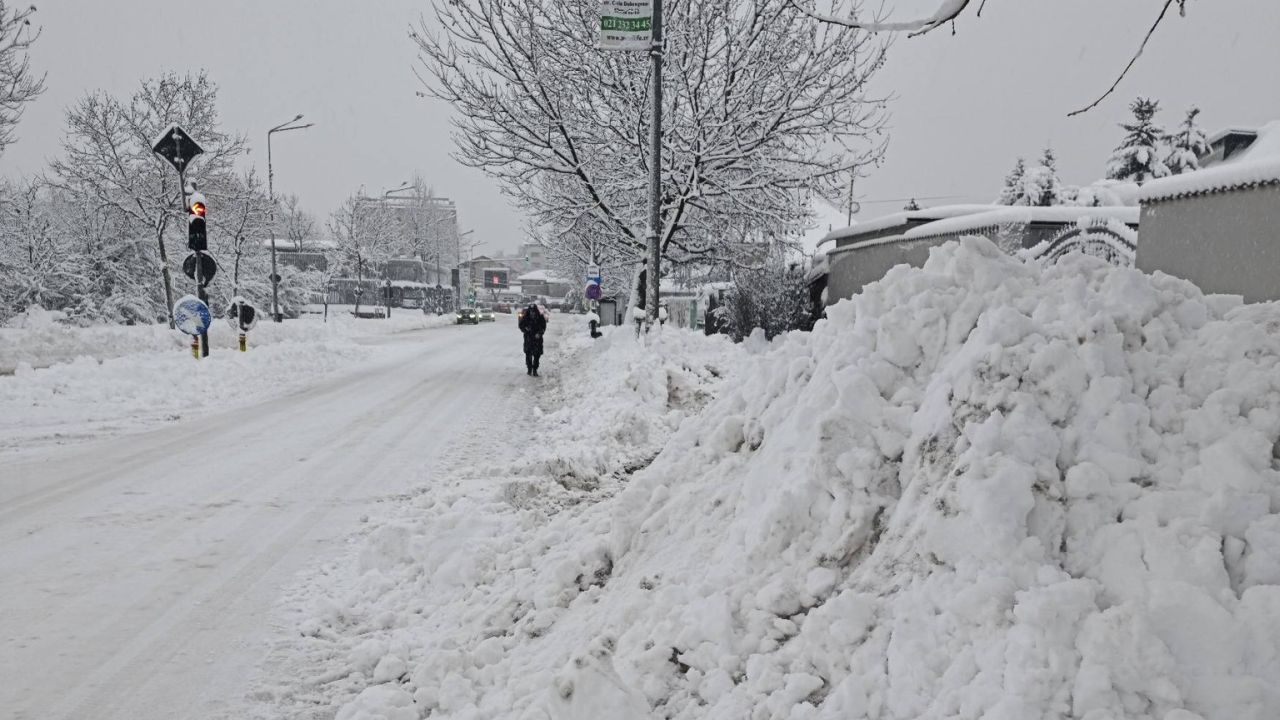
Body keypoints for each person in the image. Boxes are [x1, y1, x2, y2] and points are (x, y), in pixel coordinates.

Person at [518, 303, 547, 376]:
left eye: (533, 311)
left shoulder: (540, 317)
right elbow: (521, 325)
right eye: (531, 311)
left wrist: (539, 333)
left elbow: (543, 327)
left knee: (537, 355)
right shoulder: (525, 317)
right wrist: (525, 330)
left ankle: (535, 369)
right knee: (528, 354)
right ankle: (529, 368)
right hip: (528, 339)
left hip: (537, 340)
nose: (532, 313)